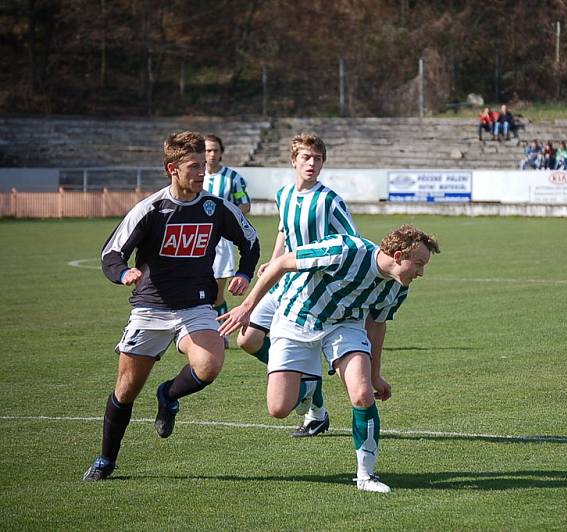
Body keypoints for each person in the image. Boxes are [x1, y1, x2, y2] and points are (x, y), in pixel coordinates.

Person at [82, 131, 260, 481]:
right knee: (126, 390)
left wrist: (243, 271)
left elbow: (250, 241)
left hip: (195, 307)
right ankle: (106, 460)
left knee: (209, 364)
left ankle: (168, 394)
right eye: (193, 166)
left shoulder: (214, 207)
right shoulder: (150, 209)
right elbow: (110, 254)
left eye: (203, 166)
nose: (201, 172)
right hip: (150, 309)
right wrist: (124, 273)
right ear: (172, 169)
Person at [219, 225, 440, 493]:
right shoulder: (345, 250)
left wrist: (374, 376)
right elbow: (282, 263)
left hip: (344, 326)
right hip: (296, 319)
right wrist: (247, 306)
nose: (421, 273)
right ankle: (309, 386)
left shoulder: (397, 288)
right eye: (418, 264)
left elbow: (376, 325)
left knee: (361, 394)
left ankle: (366, 476)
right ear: (396, 255)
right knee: (278, 409)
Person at [237, 132, 359, 438]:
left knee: (279, 395)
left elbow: (352, 243)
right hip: (284, 282)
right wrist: (274, 259)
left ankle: (308, 398)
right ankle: (304, 385)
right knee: (247, 339)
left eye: (317, 159)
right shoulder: (284, 195)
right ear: (294, 160)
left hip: (312, 293)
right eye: (306, 157)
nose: (312, 163)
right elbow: (284, 230)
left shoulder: (329, 200)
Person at [203, 134, 252, 347]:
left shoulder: (233, 178)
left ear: (221, 152)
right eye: (207, 150)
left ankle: (219, 334)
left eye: (215, 150)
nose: (211, 154)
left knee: (216, 293)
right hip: (198, 240)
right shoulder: (195, 175)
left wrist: (226, 220)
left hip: (221, 243)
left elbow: (245, 204)